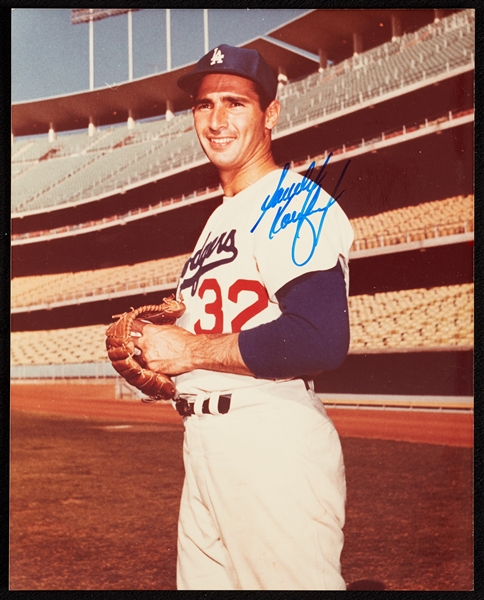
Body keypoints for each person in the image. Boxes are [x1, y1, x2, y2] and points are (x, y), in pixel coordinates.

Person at [137, 44, 354, 590]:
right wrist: (164, 355)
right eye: (204, 105)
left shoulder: (292, 203)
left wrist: (189, 351)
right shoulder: (218, 219)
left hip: (270, 440)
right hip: (206, 444)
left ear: (271, 114)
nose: (216, 120)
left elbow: (320, 338)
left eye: (235, 103)